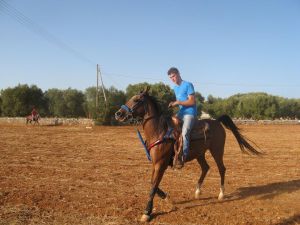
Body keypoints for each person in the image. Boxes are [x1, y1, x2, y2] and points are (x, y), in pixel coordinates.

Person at [168, 67, 197, 168]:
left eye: (174, 76)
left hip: (190, 113)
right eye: (170, 77)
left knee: (185, 133)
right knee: (169, 128)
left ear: (178, 74)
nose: (172, 79)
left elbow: (192, 101)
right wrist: (173, 103)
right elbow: (179, 103)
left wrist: (178, 102)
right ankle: (172, 152)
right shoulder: (175, 88)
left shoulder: (188, 85)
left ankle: (183, 157)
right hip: (181, 113)